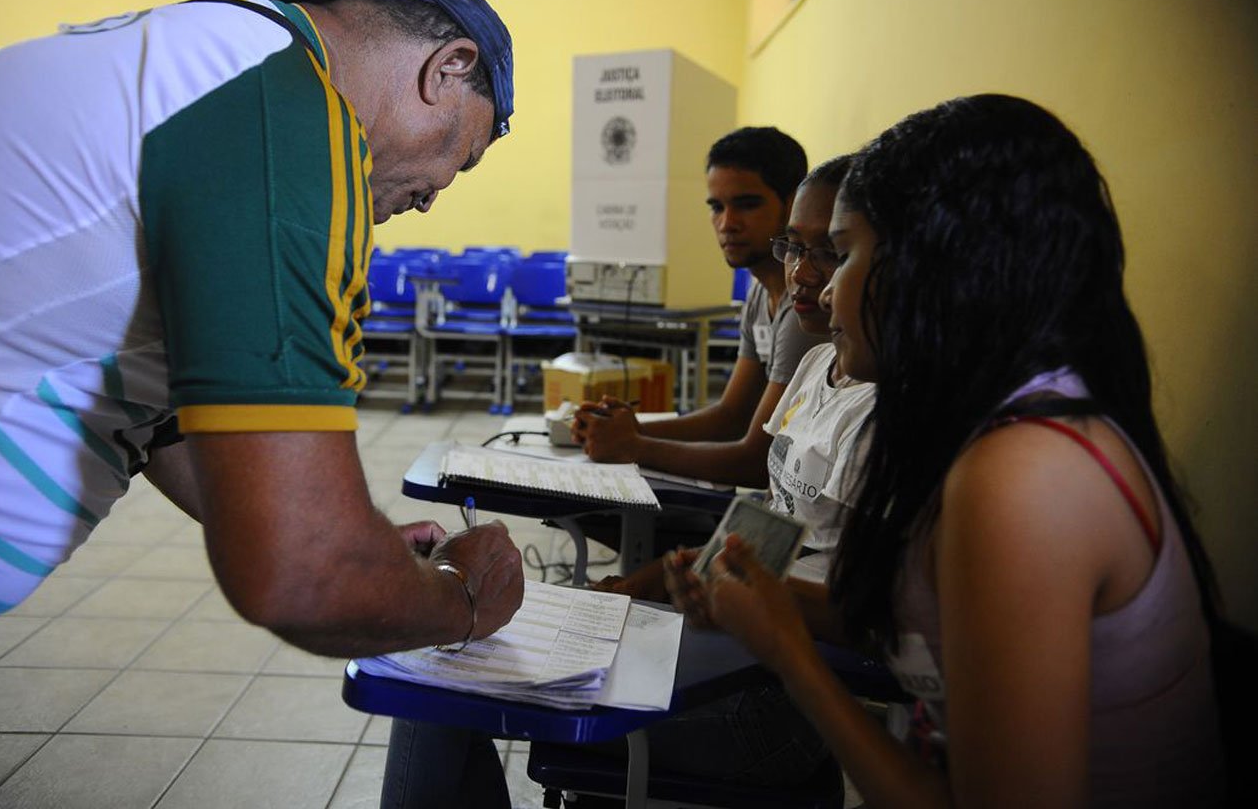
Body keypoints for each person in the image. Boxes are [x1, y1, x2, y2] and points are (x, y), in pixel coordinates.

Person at [0, 0, 526, 808]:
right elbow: (303, 574)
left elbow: (165, 407)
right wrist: (460, 600)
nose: (438, 191)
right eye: (465, 156)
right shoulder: (287, 113)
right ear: (448, 68)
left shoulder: (206, 59)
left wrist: (364, 538)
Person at [685, 94, 1226, 807]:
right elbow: (931, 620)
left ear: (931, 267)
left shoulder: (1024, 473)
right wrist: (766, 600)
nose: (820, 284)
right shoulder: (992, 430)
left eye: (843, 254)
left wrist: (788, 653)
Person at [381, 155, 874, 808]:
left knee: (442, 688)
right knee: (448, 658)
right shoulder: (818, 367)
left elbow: (865, 617)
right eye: (797, 248)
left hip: (768, 703)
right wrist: (654, 583)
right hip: (730, 652)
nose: (809, 276)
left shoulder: (893, 418)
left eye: (834, 254)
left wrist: (701, 585)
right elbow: (776, 530)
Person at [573, 126, 824, 486]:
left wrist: (633, 445)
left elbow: (757, 461)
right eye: (716, 207)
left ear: (791, 204)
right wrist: (627, 429)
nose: (727, 224)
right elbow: (730, 416)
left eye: (747, 204)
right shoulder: (758, 293)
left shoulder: (803, 309)